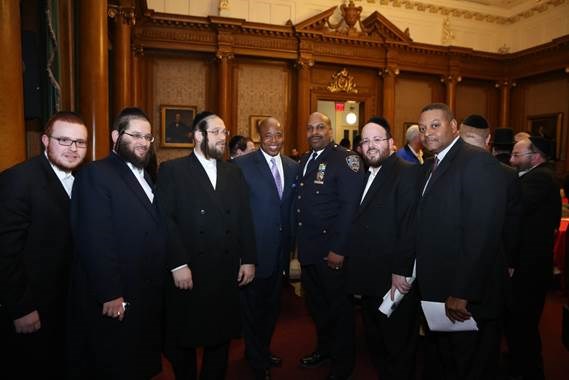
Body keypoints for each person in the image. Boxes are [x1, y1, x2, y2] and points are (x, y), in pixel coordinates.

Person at [392, 103, 508, 379]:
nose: (428, 132)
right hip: (437, 291)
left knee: (469, 365)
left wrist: (462, 291)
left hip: (465, 295)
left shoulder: (476, 161)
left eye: (435, 125)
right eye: (422, 128)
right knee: (446, 361)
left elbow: (483, 232)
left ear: (454, 126)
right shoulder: (430, 166)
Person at [66, 107, 166, 379]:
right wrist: (109, 292)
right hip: (118, 294)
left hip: (144, 290)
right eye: (136, 135)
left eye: (148, 137)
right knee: (115, 363)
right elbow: (94, 238)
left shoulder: (146, 174)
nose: (144, 142)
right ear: (115, 136)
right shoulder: (96, 174)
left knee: (138, 362)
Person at [156, 111, 257, 380]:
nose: (223, 137)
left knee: (220, 338)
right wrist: (177, 264)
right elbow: (165, 222)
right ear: (199, 136)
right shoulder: (172, 170)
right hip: (189, 269)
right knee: (183, 341)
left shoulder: (233, 172)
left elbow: (244, 217)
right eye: (216, 132)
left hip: (224, 270)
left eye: (224, 132)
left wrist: (248, 258)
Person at [0, 112, 88, 379]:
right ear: (45, 141)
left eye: (80, 142)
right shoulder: (19, 180)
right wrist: (21, 308)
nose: (73, 149)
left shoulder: (85, 181)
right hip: (32, 310)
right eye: (64, 140)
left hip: (68, 309)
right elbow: (5, 252)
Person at [345, 116, 419, 380]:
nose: (370, 145)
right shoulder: (365, 175)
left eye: (377, 139)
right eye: (365, 141)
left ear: (391, 142)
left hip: (392, 279)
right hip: (368, 278)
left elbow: (409, 226)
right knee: (377, 341)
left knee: (398, 344)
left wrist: (400, 271)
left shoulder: (407, 172)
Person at [295, 112, 365, 380]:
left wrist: (339, 249)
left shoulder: (345, 159)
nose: (315, 132)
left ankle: (343, 364)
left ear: (330, 130)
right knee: (318, 308)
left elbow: (350, 207)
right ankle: (324, 349)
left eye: (320, 127)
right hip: (310, 251)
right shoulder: (305, 159)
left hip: (331, 252)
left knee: (339, 311)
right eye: (310, 127)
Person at [234, 117, 299, 380]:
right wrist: (242, 255)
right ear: (259, 136)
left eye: (279, 135)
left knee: (272, 309)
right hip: (254, 255)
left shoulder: (294, 167)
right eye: (268, 135)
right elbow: (236, 213)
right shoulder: (241, 165)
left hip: (281, 254)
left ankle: (261, 350)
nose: (274, 140)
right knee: (252, 311)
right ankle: (257, 359)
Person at [507, 136, 561, 380]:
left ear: (536, 157)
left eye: (517, 156)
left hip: (530, 268)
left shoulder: (539, 178)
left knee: (524, 326)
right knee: (520, 326)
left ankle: (528, 372)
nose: (511, 160)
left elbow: (514, 208)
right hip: (529, 265)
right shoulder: (537, 175)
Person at [460, 115, 522, 274]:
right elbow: (512, 223)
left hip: (451, 256)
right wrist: (510, 261)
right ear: (488, 139)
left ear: (458, 135)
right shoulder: (507, 173)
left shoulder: (443, 168)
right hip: (492, 257)